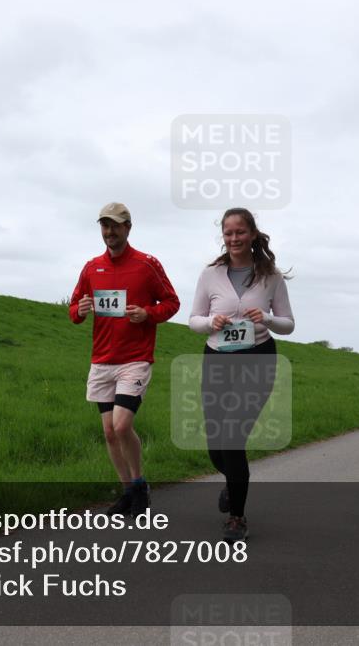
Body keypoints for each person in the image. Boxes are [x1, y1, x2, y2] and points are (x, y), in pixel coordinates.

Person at [189, 208, 294, 544]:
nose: (233, 238)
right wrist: (210, 323)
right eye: (228, 232)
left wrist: (265, 317)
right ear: (223, 235)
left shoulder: (270, 276)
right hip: (217, 359)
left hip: (257, 359)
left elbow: (289, 324)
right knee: (216, 445)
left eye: (240, 232)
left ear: (251, 233)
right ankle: (234, 482)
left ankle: (237, 517)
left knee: (233, 438)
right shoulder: (210, 274)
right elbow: (193, 318)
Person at [69, 203, 180, 518]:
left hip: (135, 358)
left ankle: (141, 483)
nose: (109, 232)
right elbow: (74, 308)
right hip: (102, 359)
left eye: (115, 226)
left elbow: (172, 302)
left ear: (128, 228)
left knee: (121, 425)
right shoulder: (92, 267)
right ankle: (129, 491)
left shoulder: (147, 265)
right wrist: (81, 310)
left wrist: (148, 314)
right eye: (104, 226)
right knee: (108, 432)